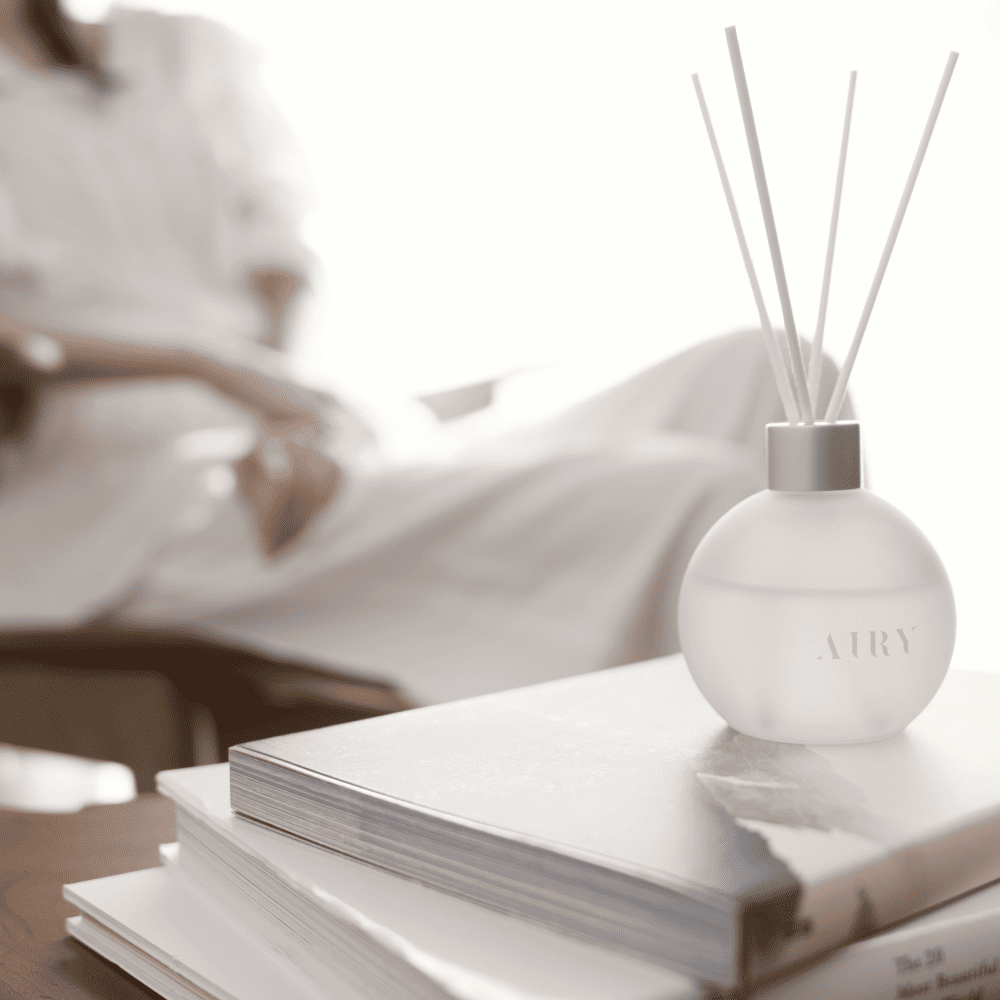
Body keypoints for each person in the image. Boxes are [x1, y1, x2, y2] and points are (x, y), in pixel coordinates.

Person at [0, 0, 831, 707]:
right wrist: (211, 367)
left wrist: (288, 411)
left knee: (770, 376)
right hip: (129, 496)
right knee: (707, 498)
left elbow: (282, 254)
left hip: (309, 417)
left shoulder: (187, 49)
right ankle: (718, 798)